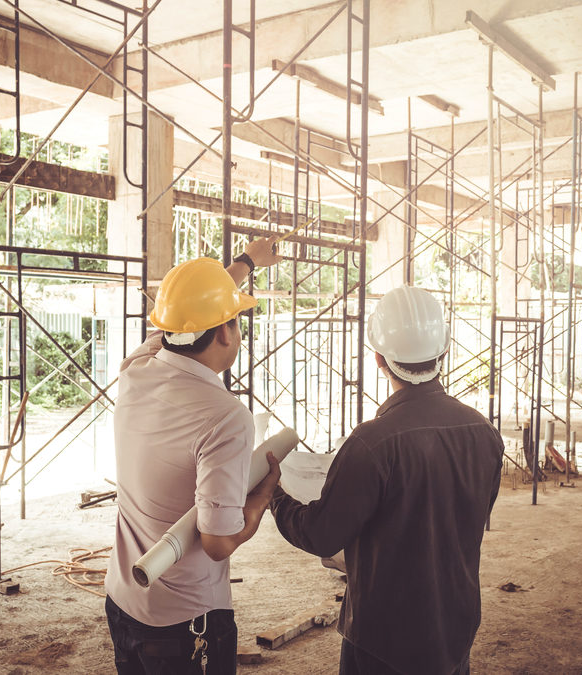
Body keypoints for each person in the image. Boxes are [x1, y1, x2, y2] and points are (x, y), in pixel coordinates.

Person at [270, 285, 505, 675]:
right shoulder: (484, 433)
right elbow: (468, 518)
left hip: (383, 640)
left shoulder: (371, 443)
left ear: (378, 357)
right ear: (443, 352)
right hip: (455, 629)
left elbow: (321, 535)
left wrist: (275, 497)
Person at [105, 238, 283, 675]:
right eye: (236, 320)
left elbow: (181, 320)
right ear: (226, 331)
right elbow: (218, 543)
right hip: (186, 623)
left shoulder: (137, 369)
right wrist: (261, 498)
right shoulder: (227, 418)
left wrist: (244, 264)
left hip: (122, 601)